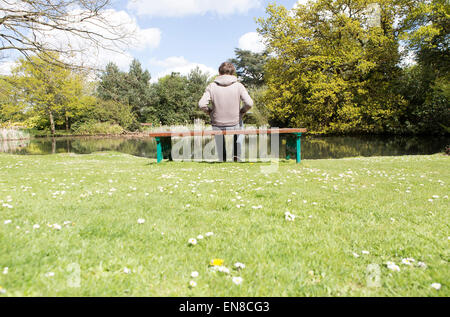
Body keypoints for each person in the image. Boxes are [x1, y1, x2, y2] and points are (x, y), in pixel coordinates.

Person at [198, 62, 253, 161]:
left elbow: (201, 104)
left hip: (217, 123)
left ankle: (222, 158)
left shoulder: (211, 86)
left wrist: (210, 112)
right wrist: (242, 112)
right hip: (235, 122)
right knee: (240, 127)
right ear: (233, 72)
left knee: (217, 127)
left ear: (219, 72)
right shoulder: (239, 86)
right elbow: (249, 103)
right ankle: (236, 157)